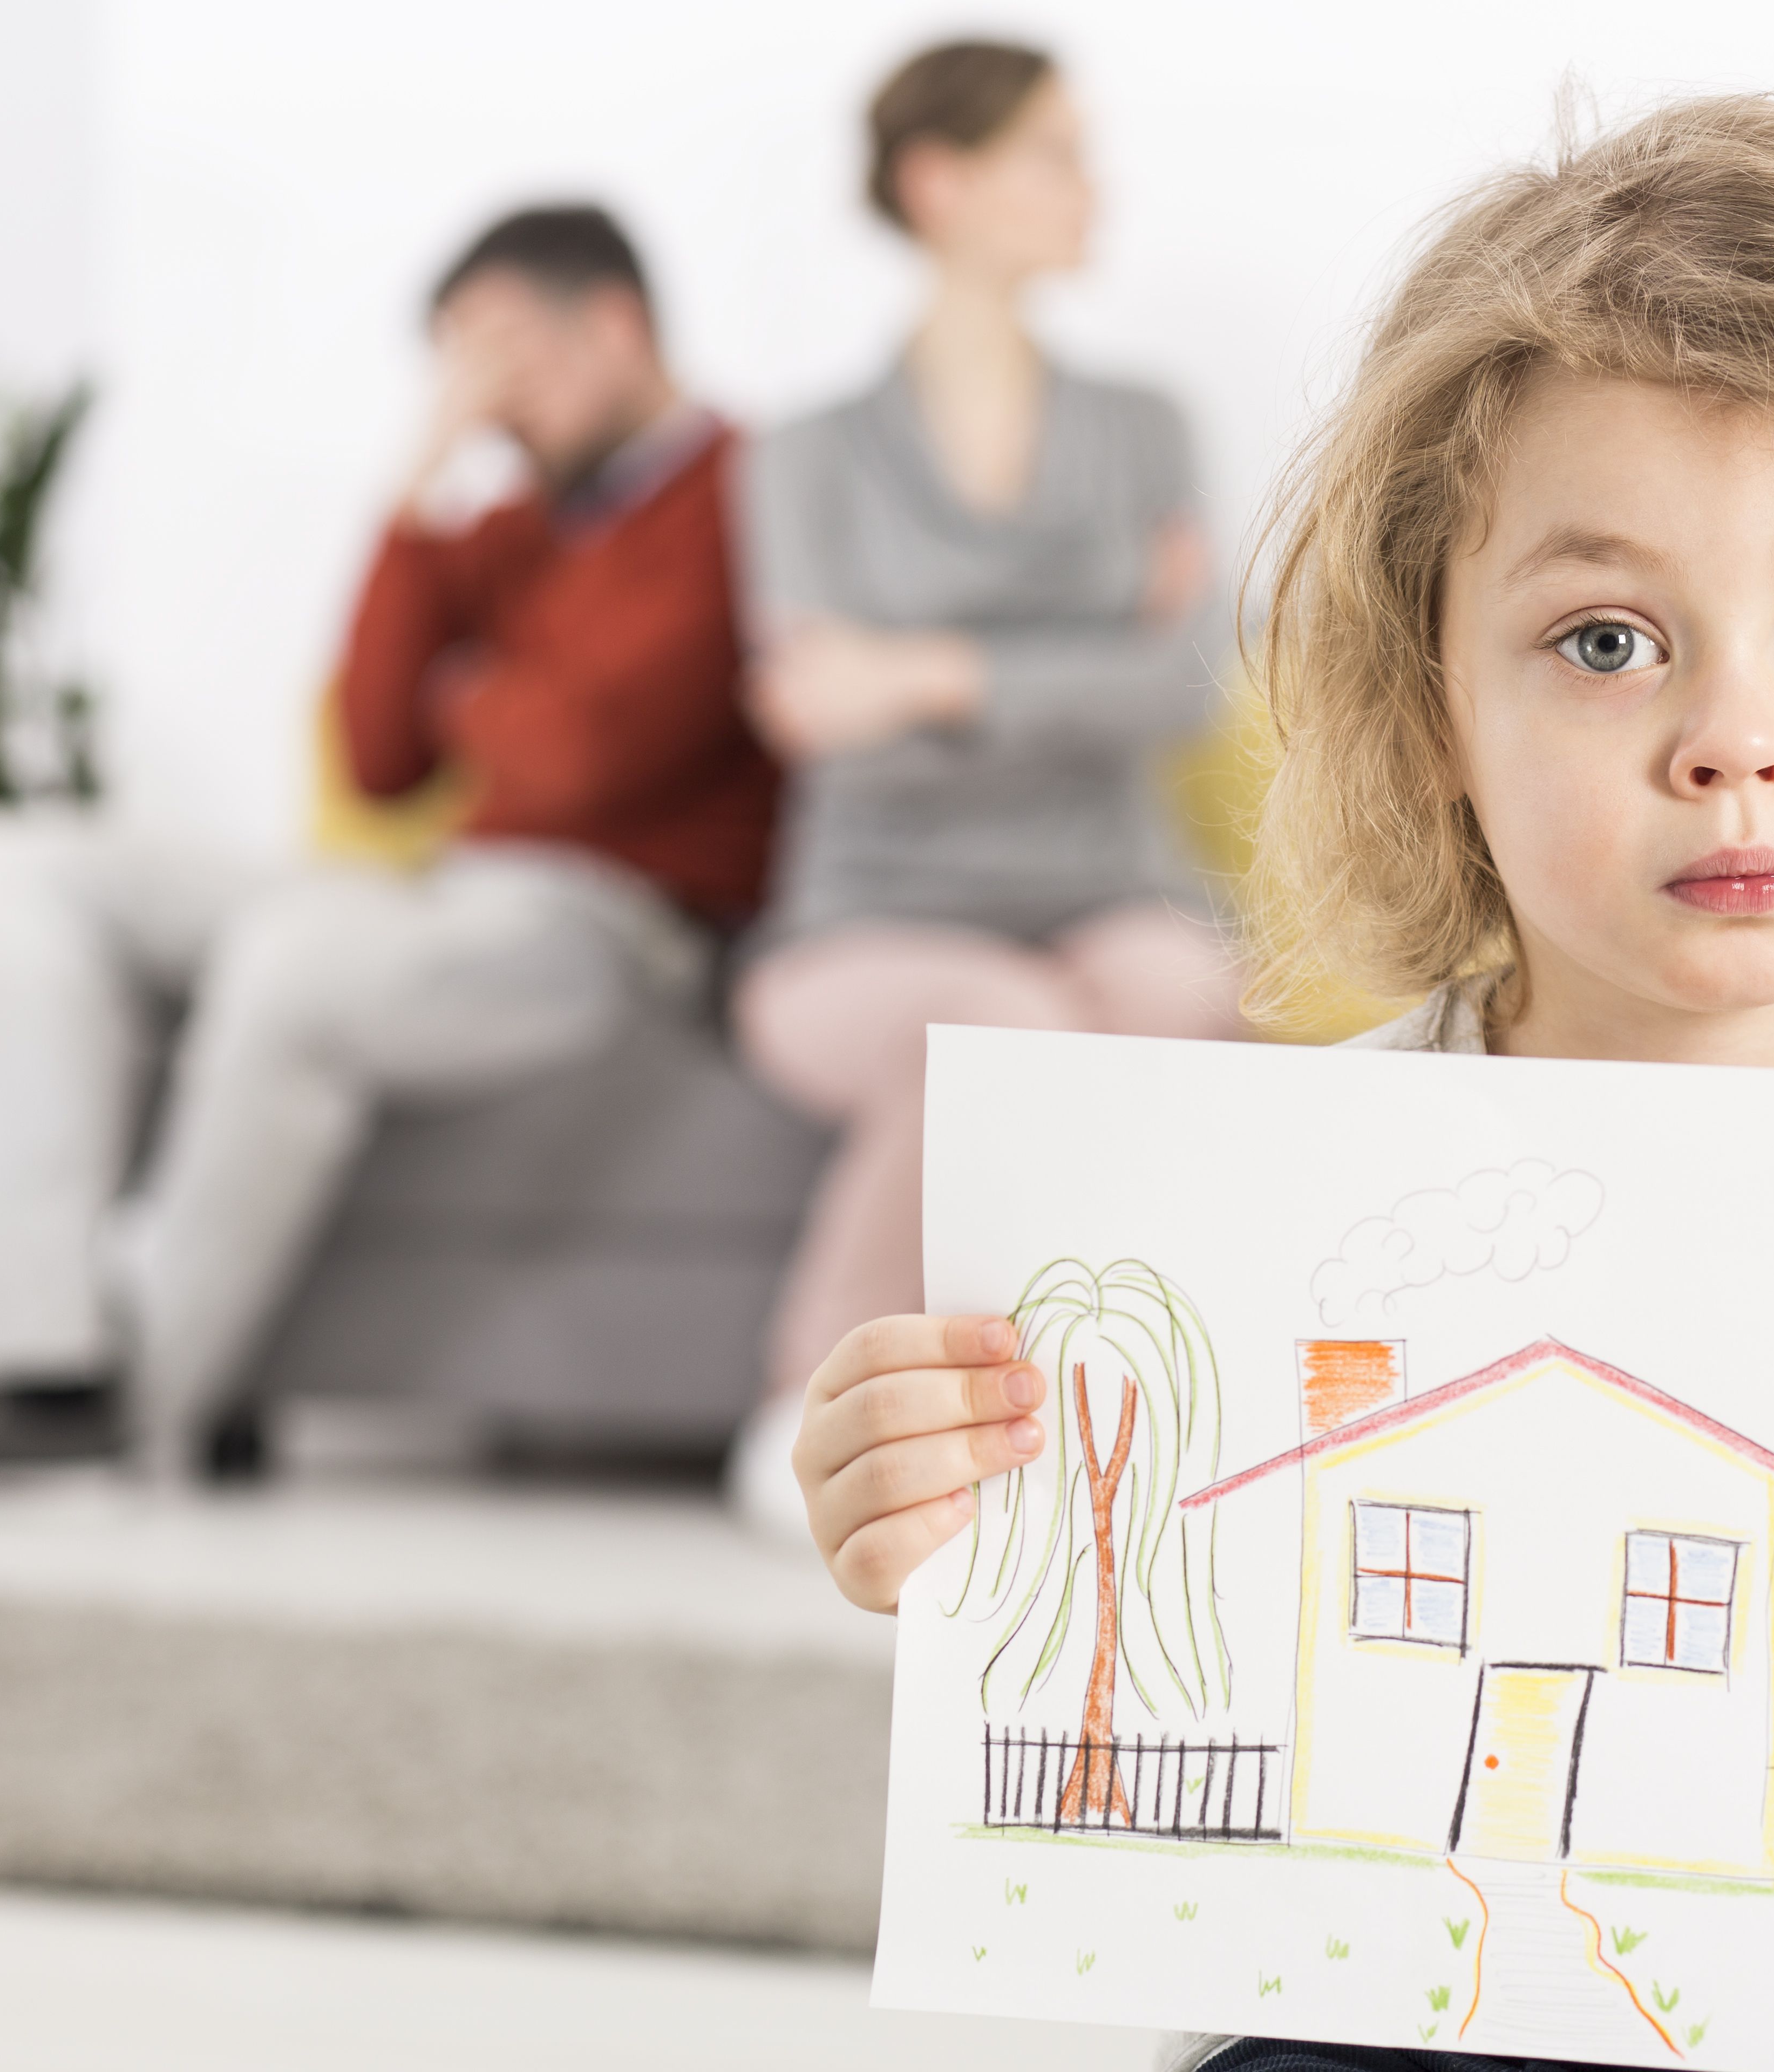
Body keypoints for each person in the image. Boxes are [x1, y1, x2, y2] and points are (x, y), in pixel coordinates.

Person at [781, 97, 1774, 2068]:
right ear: (1433, 709)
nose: (1736, 737)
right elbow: (1111, 1646)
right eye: (1608, 638)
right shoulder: (1263, 1206)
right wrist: (931, 1521)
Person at [0, 204, 776, 1481]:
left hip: (615, 923)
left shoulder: (753, 490)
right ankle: (33, 1360)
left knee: (294, 964)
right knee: (59, 891)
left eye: (510, 363)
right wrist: (412, 488)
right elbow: (383, 755)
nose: (493, 405)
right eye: (459, 374)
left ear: (617, 324)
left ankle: (129, 1416)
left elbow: (587, 755)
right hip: (441, 893)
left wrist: (482, 698)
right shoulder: (508, 531)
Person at [724, 40, 1242, 1530]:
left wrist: (925, 672)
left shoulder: (1144, 428)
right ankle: (807, 1406)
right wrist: (1071, 648)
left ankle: (1121, 1420)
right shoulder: (806, 454)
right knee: (1002, 1026)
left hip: (1107, 880)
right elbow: (823, 715)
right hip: (866, 915)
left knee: (1170, 999)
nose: (1093, 187)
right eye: (1054, 154)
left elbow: (1182, 686)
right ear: (939, 185)